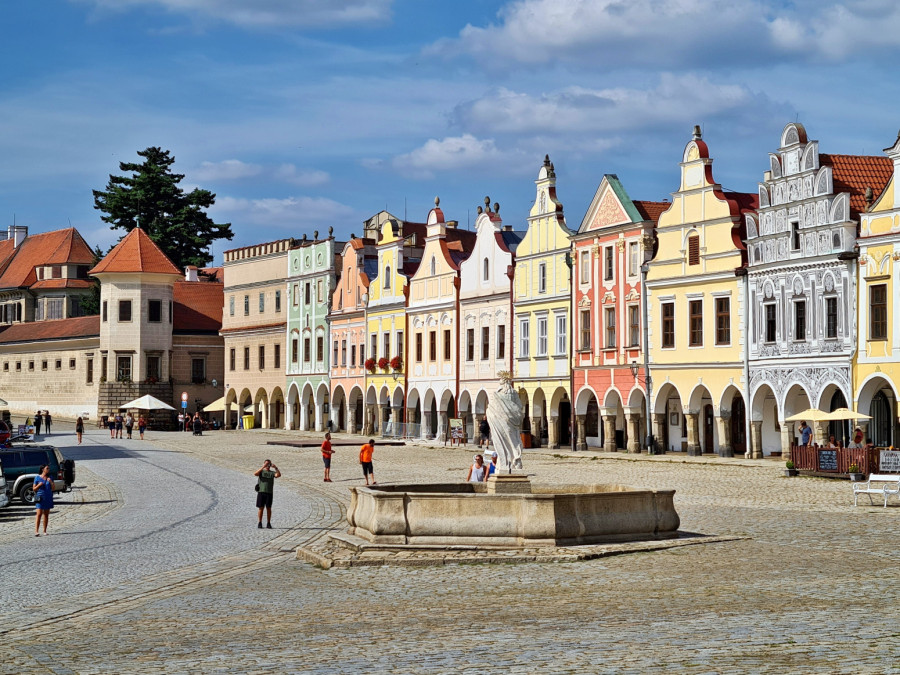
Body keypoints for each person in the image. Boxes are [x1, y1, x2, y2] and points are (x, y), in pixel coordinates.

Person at [253, 459, 281, 529]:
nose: (267, 465)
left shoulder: (272, 473)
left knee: (268, 508)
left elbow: (278, 475)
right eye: (266, 464)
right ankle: (260, 522)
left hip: (269, 492)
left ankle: (268, 523)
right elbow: (255, 474)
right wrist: (263, 467)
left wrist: (276, 468)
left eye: (269, 464)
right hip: (261, 492)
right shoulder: (261, 471)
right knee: (261, 508)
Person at [33, 465, 54, 536]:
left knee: (46, 514)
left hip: (48, 497)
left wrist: (51, 482)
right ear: (43, 469)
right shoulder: (37, 477)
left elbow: (53, 488)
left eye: (49, 468)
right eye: (47, 468)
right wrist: (39, 485)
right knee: (39, 514)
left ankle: (44, 530)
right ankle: (36, 531)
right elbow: (34, 489)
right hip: (39, 497)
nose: (48, 469)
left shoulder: (50, 477)